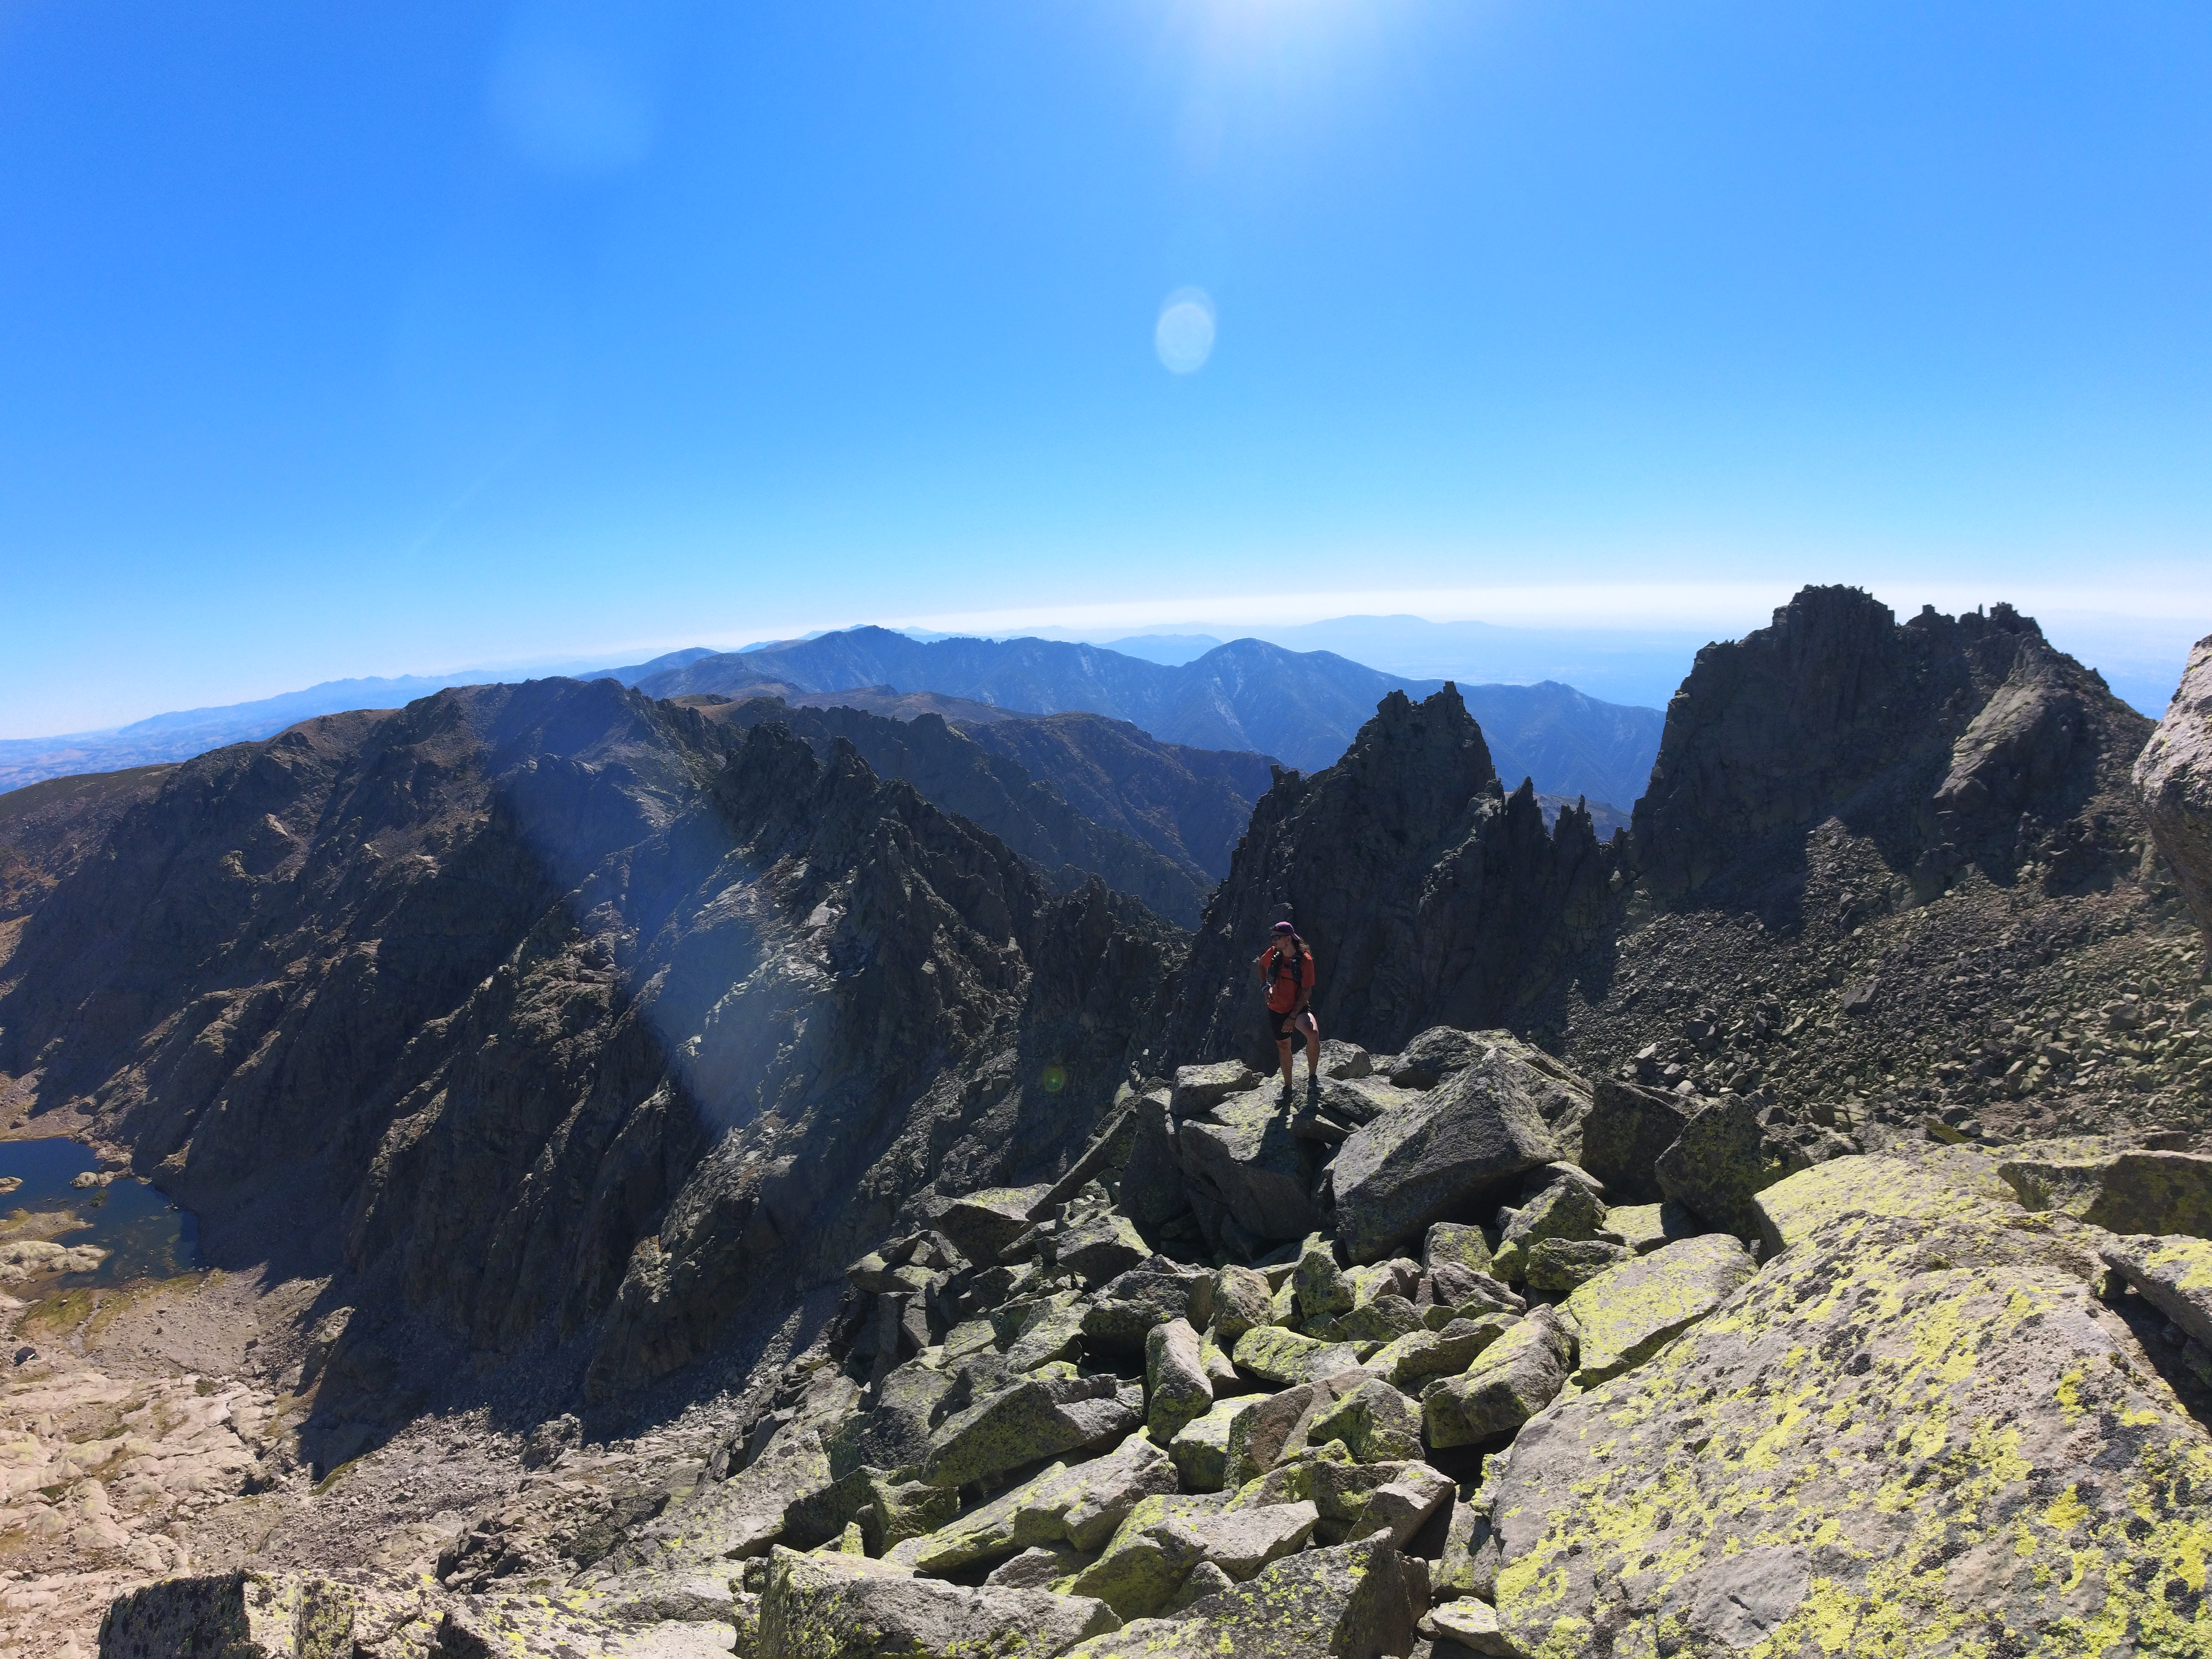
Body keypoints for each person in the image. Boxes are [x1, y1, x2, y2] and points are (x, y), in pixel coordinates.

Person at [1255, 920, 1319, 1096]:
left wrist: (1292, 1017)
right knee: (1284, 1046)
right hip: (1277, 1008)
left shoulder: (1305, 961)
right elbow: (1262, 965)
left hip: (1297, 1008)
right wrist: (1265, 987)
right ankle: (1288, 1088)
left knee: (1313, 1033)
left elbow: (1307, 992)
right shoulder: (1274, 953)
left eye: (1277, 938)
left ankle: (1313, 1078)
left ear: (1289, 939)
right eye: (1273, 937)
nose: (1274, 941)